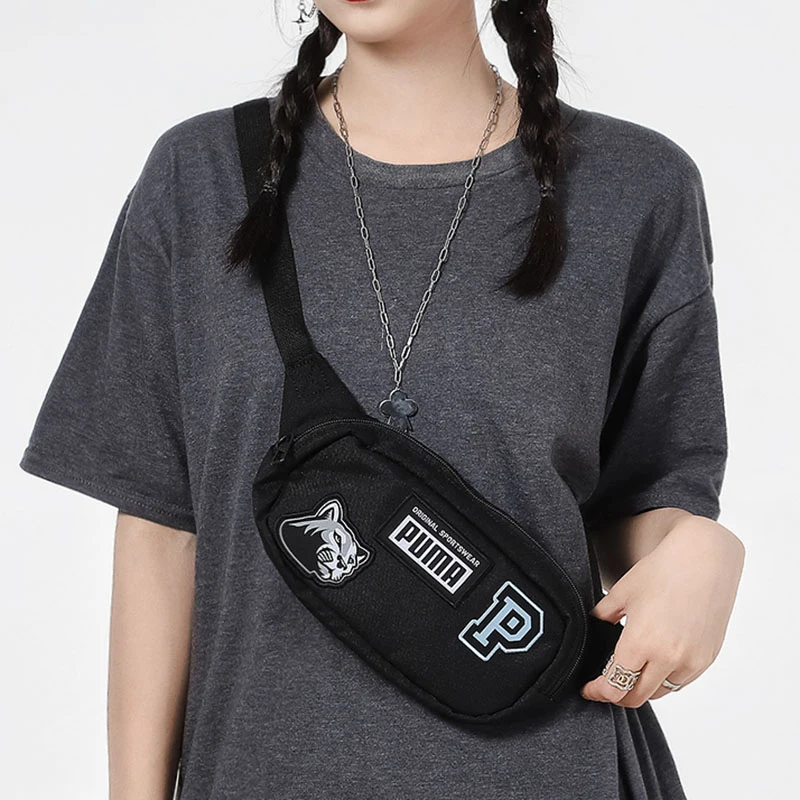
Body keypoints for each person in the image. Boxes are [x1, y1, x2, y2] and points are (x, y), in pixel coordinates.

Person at [18, 1, 746, 798]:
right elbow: (162, 534)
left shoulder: (635, 187)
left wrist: (706, 547)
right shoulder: (201, 177)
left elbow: (642, 505)